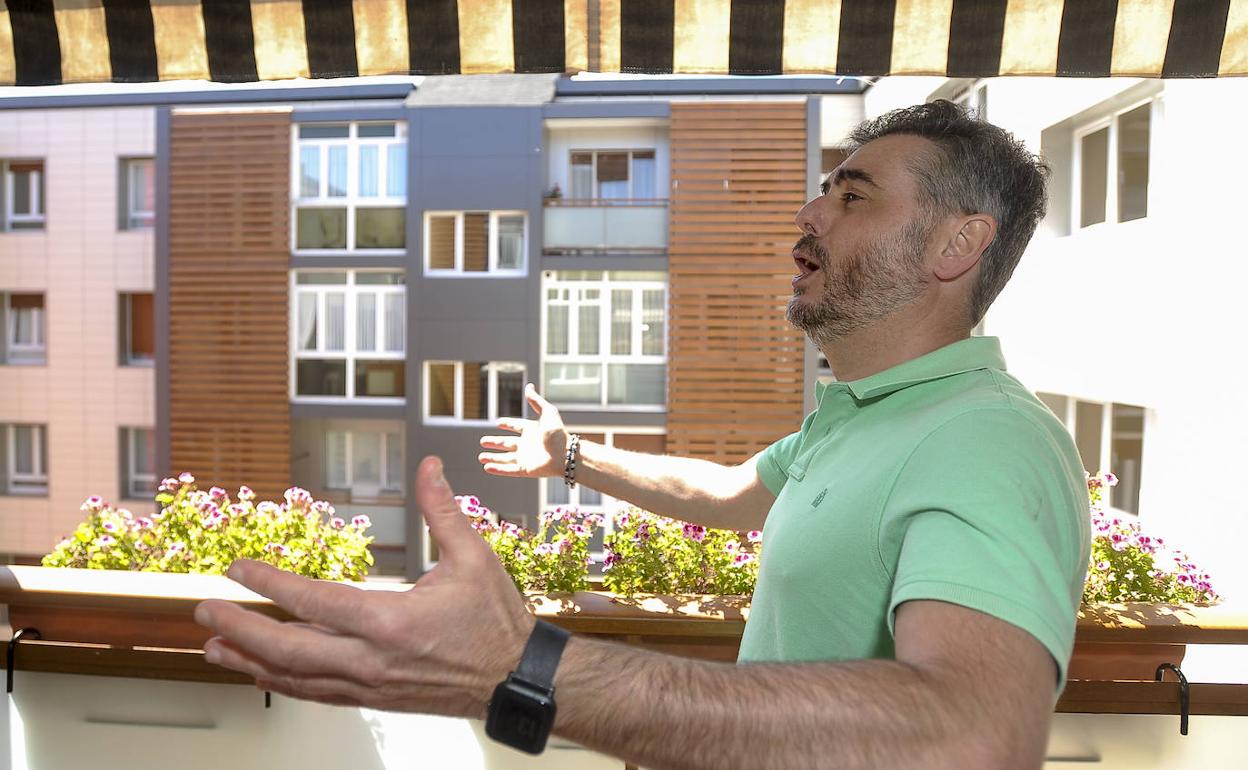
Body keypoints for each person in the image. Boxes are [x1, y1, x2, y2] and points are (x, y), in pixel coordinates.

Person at [195, 101, 1090, 769]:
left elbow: (978, 733)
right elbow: (732, 494)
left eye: (852, 197)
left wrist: (522, 666)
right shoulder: (865, 416)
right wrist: (571, 457)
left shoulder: (986, 439)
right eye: (823, 193)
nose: (807, 218)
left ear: (957, 244)